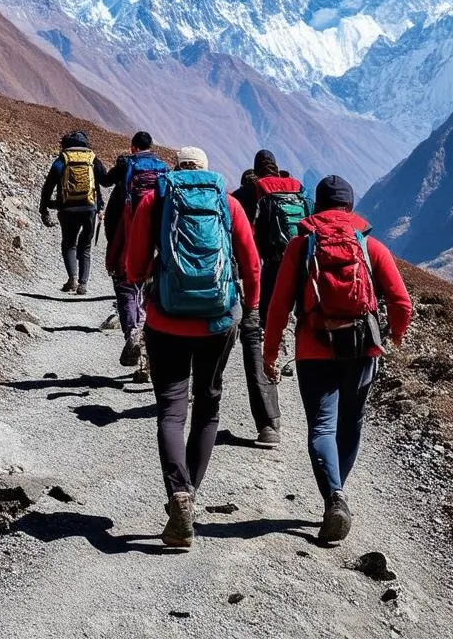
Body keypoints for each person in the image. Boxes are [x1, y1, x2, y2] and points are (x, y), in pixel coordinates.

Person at [263, 174, 412, 544]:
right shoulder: (369, 246)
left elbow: (278, 306)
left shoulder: (301, 246)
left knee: (322, 427)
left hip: (314, 348)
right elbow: (401, 302)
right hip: (362, 349)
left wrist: (270, 354)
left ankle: (334, 497)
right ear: (349, 205)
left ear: (317, 204)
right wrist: (395, 333)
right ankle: (337, 495)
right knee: (351, 422)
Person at [125, 145, 260, 548]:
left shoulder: (156, 198)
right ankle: (190, 496)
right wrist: (249, 306)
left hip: (166, 319)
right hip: (218, 321)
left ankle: (178, 495)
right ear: (205, 169)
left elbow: (132, 265)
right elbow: (251, 262)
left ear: (176, 168)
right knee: (208, 407)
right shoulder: (227, 202)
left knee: (171, 410)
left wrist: (154, 274)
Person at [241, 149, 312, 449]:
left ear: (257, 169)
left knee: (254, 333)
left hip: (268, 269)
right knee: (297, 319)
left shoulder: (251, 193)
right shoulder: (300, 192)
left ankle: (270, 422)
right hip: (301, 270)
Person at [101, 131, 167, 376]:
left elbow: (115, 217)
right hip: (159, 246)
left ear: (132, 147)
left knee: (127, 290)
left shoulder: (126, 169)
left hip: (129, 241)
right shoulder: (164, 170)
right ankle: (149, 357)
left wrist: (112, 254)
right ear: (151, 146)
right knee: (152, 299)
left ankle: (133, 335)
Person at [39, 130, 107, 295]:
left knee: (69, 243)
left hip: (67, 209)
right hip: (89, 208)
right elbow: (103, 181)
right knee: (86, 246)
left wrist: (44, 207)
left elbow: (48, 186)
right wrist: (100, 206)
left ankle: (73, 279)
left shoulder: (62, 160)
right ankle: (83, 284)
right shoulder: (92, 160)